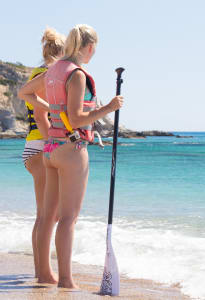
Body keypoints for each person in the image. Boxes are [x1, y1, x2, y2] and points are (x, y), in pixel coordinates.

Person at [18, 24, 124, 288]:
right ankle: (65, 280)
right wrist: (109, 107)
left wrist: (52, 110)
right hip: (72, 149)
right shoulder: (76, 74)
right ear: (89, 47)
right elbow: (77, 118)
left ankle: (45, 274)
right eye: (95, 48)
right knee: (68, 218)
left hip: (50, 150)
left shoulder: (53, 69)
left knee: (47, 216)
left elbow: (25, 93)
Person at [17, 27, 64, 278]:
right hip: (40, 146)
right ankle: (43, 272)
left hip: (34, 146)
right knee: (48, 215)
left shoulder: (38, 74)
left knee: (46, 214)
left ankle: (41, 269)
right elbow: (40, 114)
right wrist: (53, 146)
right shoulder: (48, 76)